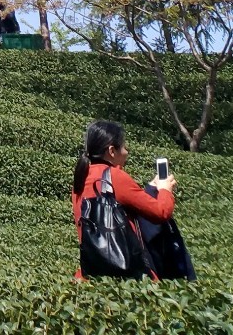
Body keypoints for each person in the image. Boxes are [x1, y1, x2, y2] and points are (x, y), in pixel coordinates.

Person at [71, 119, 176, 280]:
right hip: (124, 272)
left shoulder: (82, 176)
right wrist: (165, 190)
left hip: (90, 273)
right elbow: (160, 212)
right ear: (112, 151)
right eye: (124, 147)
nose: (126, 152)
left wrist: (150, 187)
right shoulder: (115, 177)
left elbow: (122, 201)